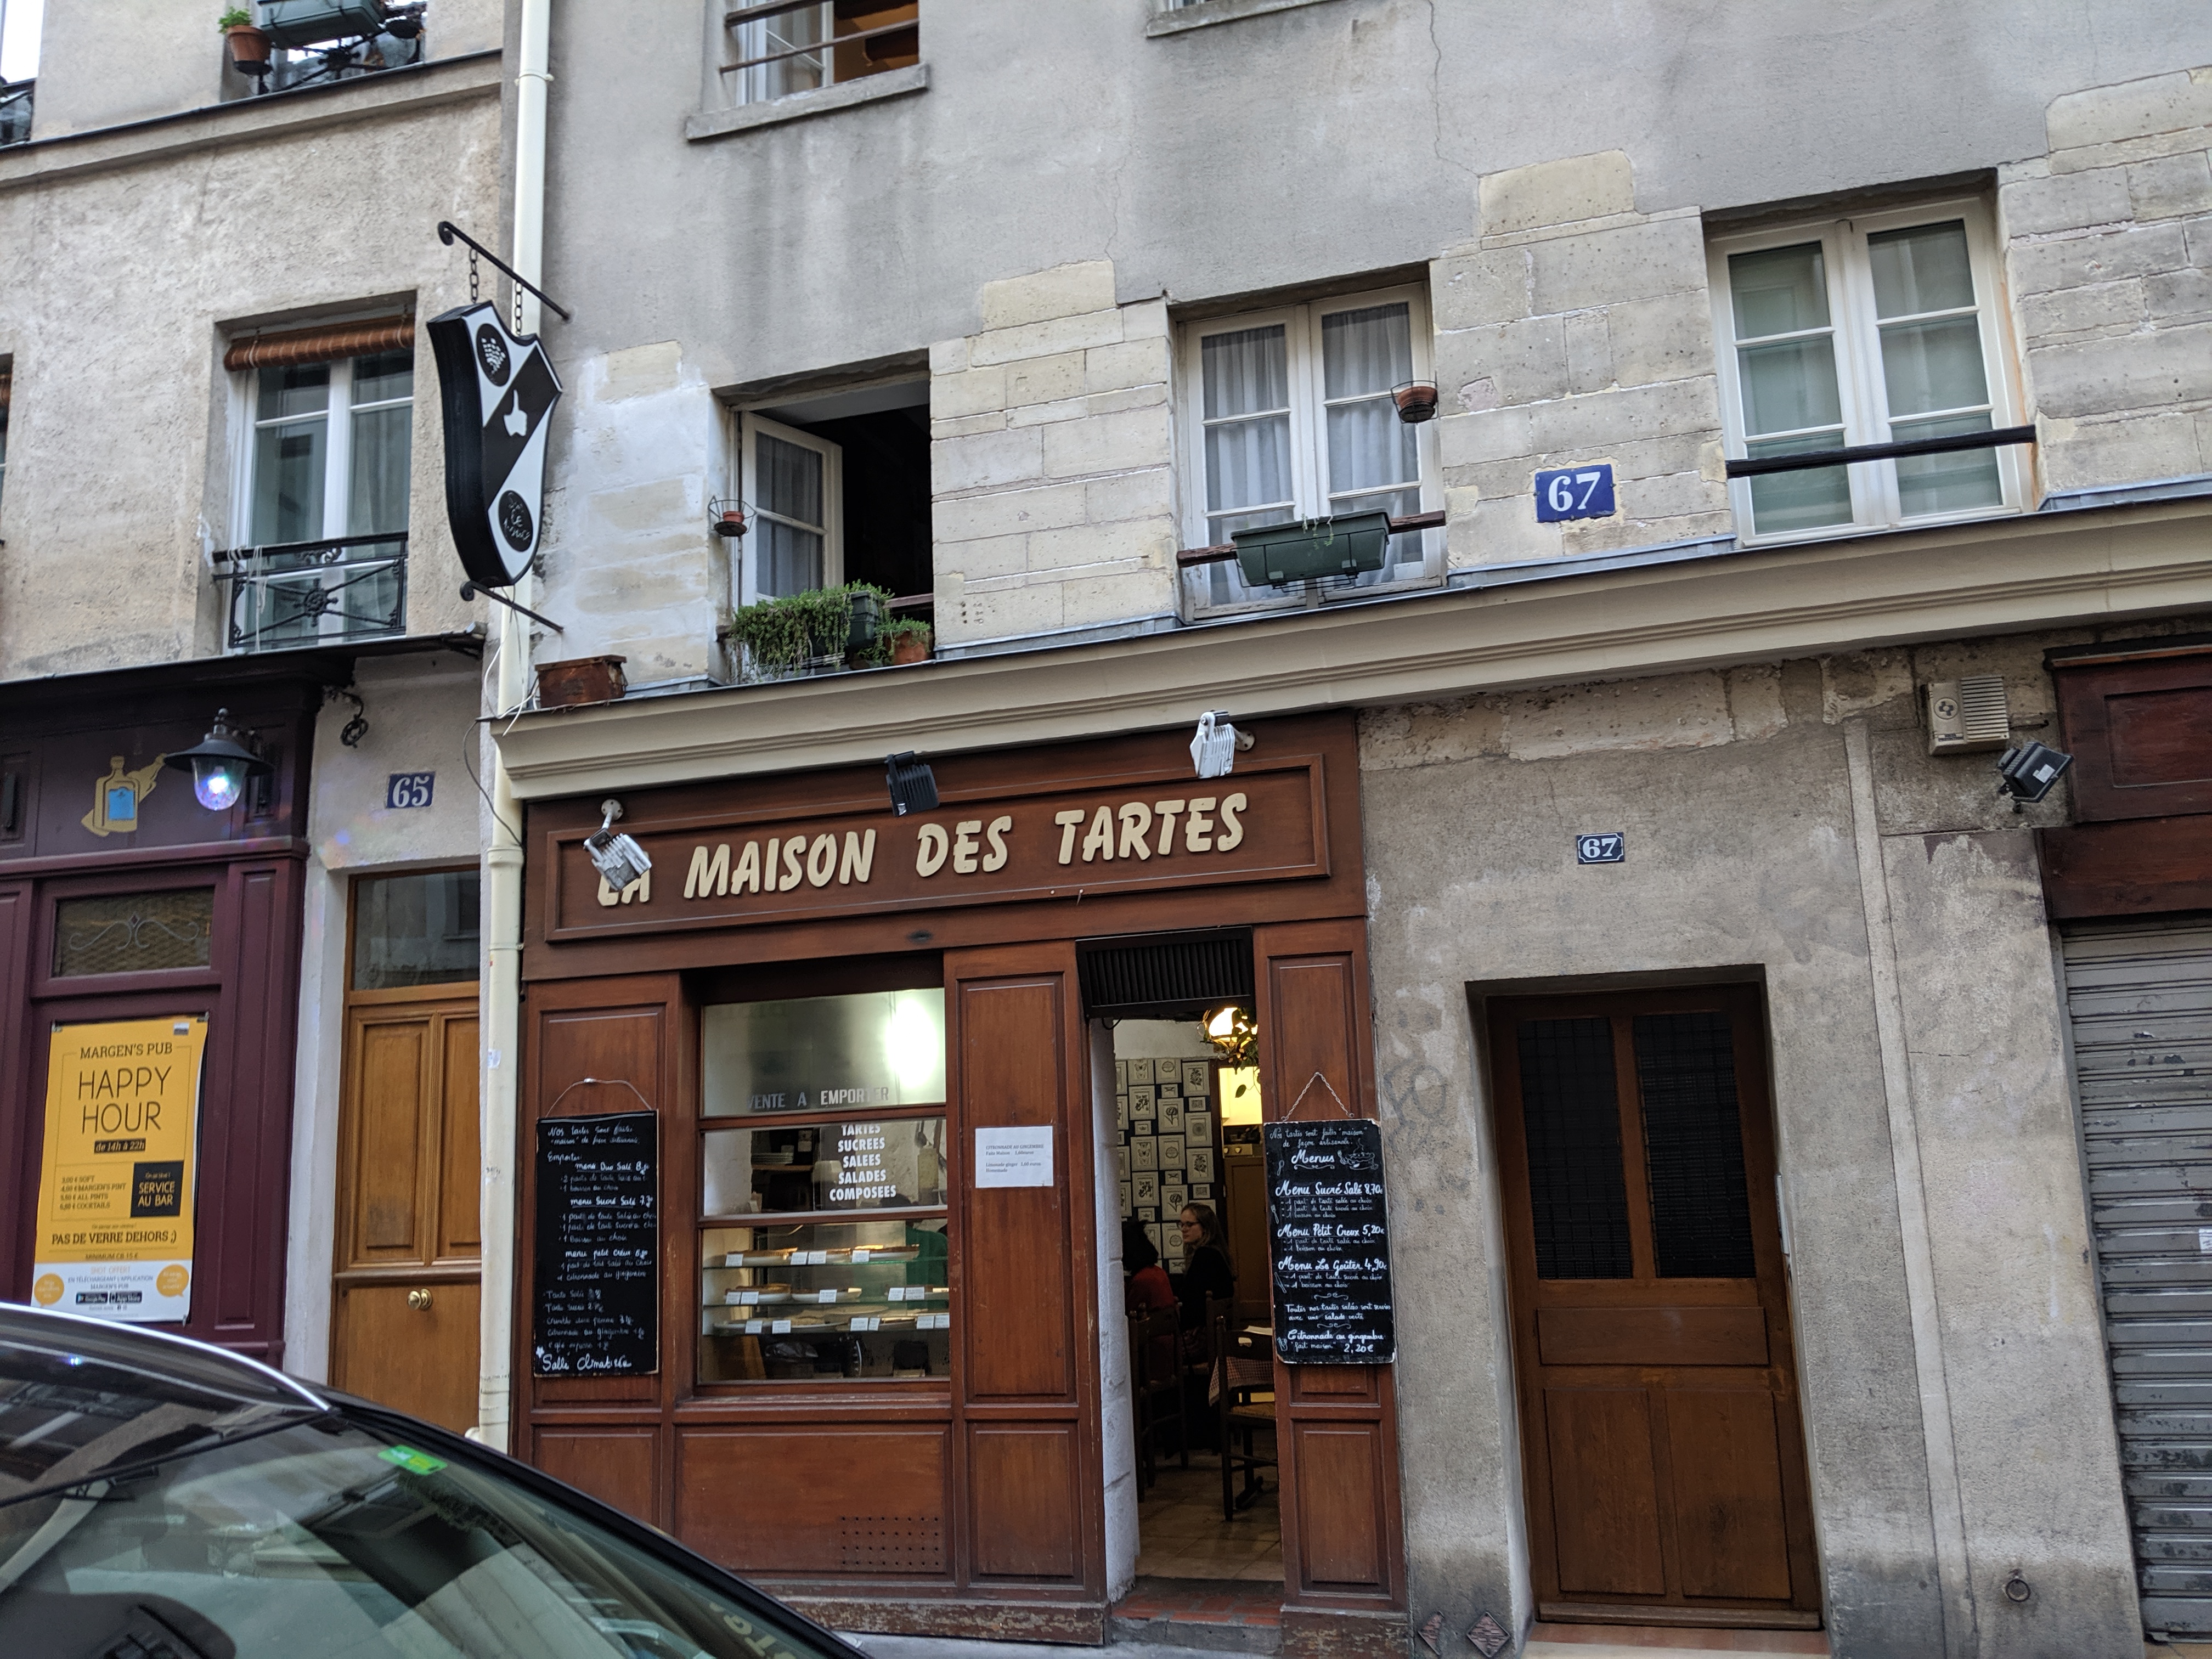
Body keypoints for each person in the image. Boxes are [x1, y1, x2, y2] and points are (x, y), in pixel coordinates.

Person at [1122, 1220, 1177, 1381]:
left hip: (1151, 1360)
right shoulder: (1158, 1273)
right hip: (1167, 1354)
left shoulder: (1141, 1280)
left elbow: (1127, 1318)